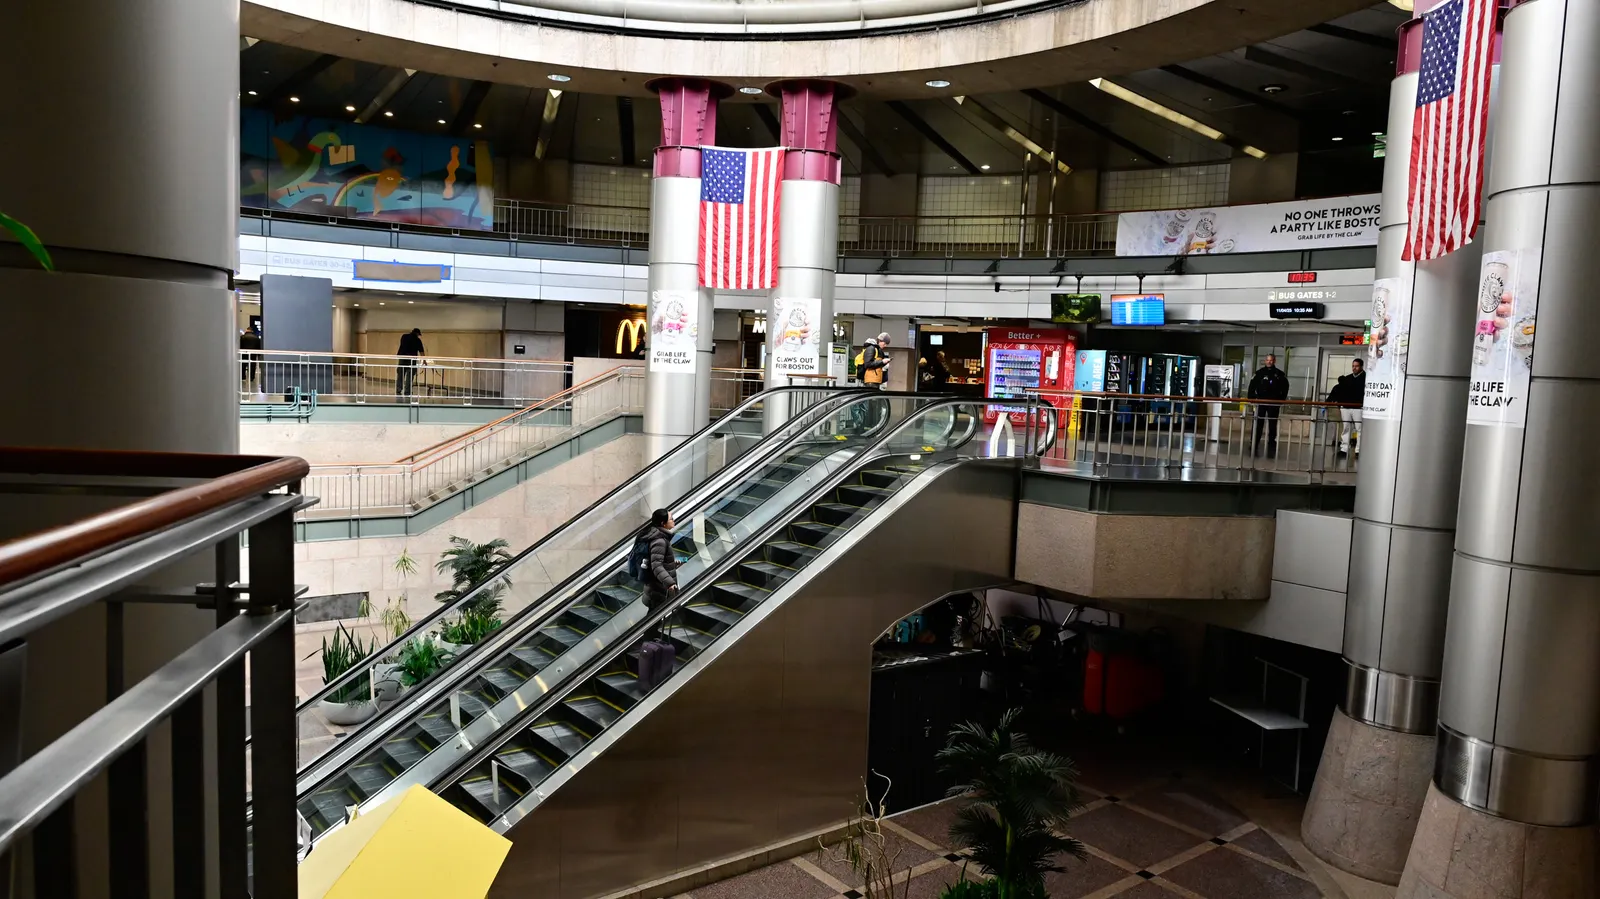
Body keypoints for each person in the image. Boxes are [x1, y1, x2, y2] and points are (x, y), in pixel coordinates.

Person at [639, 508, 680, 636]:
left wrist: (672, 563)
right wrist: (669, 583)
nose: (674, 520)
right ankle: (648, 646)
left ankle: (649, 642)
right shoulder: (660, 540)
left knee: (653, 617)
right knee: (653, 619)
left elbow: (657, 562)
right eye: (671, 519)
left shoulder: (656, 536)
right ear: (663, 523)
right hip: (658, 588)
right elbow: (656, 565)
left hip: (655, 587)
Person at [1246, 353, 1291, 458]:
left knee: (1272, 424)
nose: (1269, 362)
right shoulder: (1259, 373)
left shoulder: (1279, 374)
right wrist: (1252, 398)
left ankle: (1271, 443)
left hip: (1273, 403)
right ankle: (1254, 442)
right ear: (1265, 361)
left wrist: (1280, 400)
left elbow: (1285, 388)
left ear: (1274, 361)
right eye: (1267, 360)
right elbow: (1251, 386)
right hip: (1260, 402)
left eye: (1271, 360)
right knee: (1258, 423)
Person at [1325, 358, 1365, 456]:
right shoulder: (1347, 378)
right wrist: (1340, 404)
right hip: (1346, 407)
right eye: (1353, 366)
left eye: (1356, 366)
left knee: (1359, 429)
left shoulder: (1366, 378)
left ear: (1361, 366)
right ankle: (1344, 449)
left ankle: (1358, 450)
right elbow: (1340, 392)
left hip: (1358, 407)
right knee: (1346, 428)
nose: (1354, 368)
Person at [396, 328, 425, 397]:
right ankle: (407, 391)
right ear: (417, 334)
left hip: (402, 358)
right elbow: (421, 351)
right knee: (410, 376)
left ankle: (398, 389)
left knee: (400, 374)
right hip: (412, 360)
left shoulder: (404, 336)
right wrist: (424, 360)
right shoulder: (417, 340)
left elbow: (402, 346)